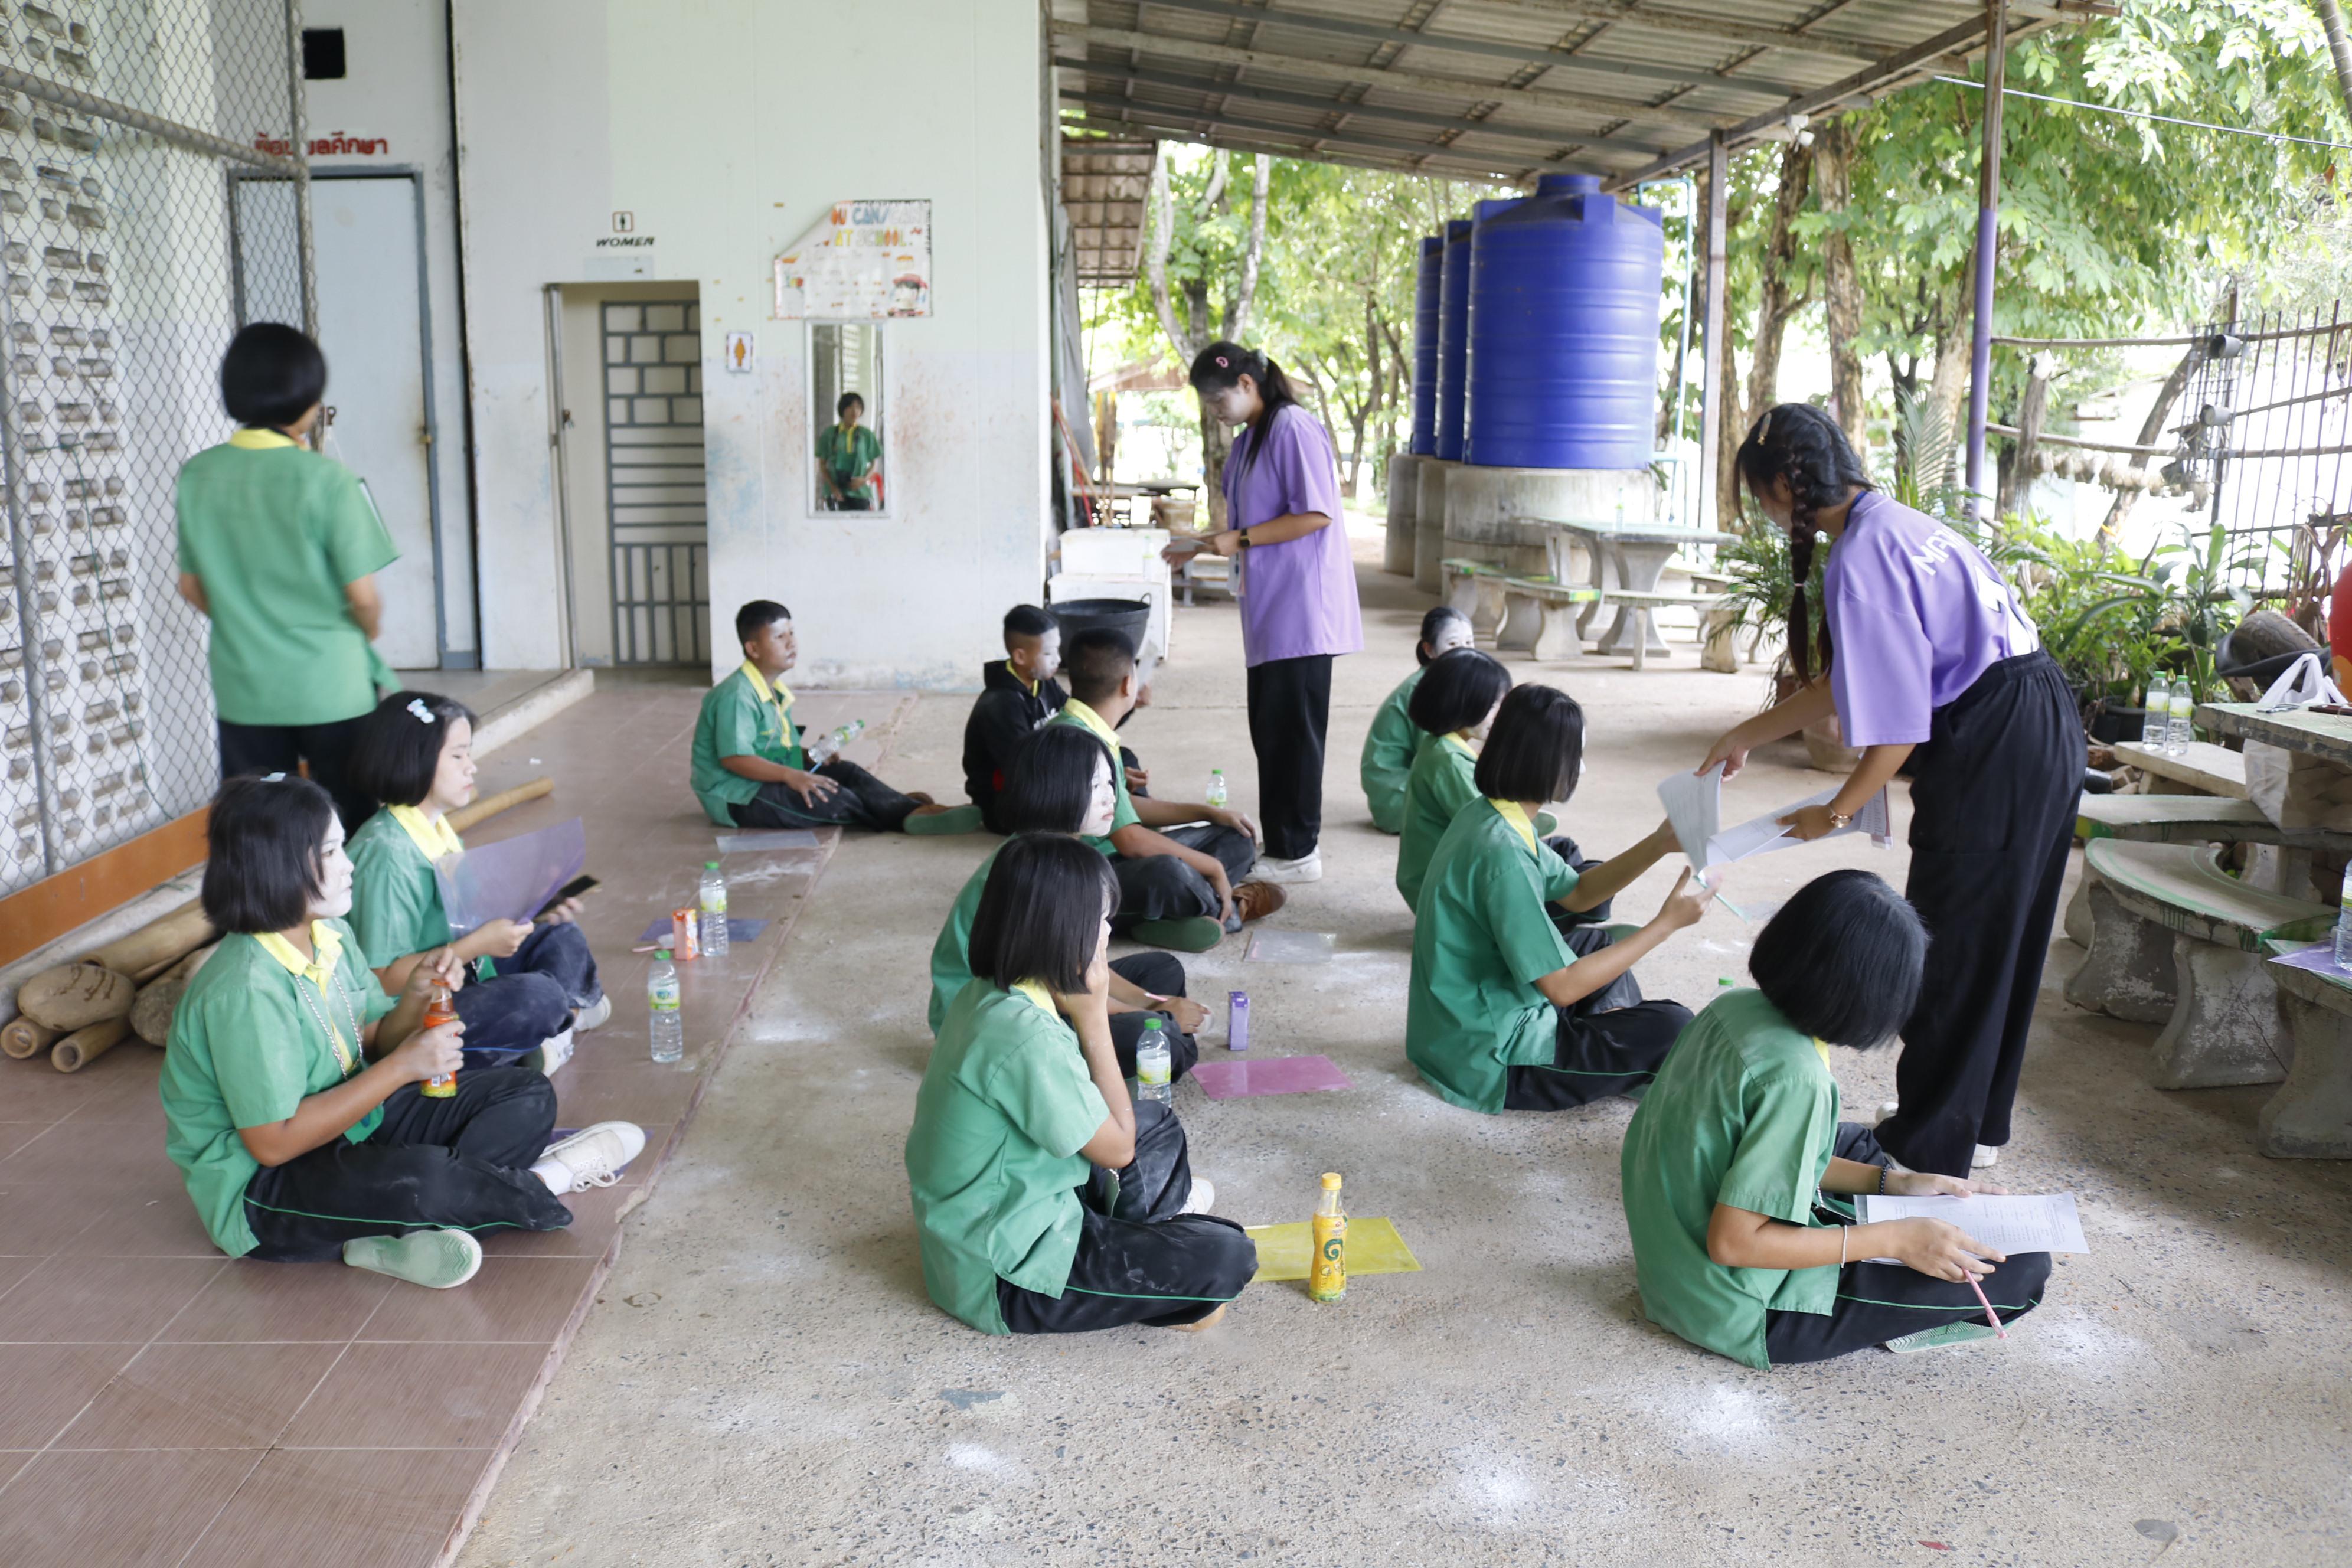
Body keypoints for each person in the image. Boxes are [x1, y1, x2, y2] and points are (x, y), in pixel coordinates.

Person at [1697, 404, 2082, 1177]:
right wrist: (1751, 731)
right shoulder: (1899, 524)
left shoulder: (1861, 556)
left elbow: (1897, 728)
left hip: (1992, 739)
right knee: (2005, 935)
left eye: (1760, 498)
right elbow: (1853, 680)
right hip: (2043, 716)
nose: (1766, 514)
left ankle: (1925, 1152)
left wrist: (1833, 812)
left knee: (1949, 941)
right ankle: (1975, 1128)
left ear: (1784, 485)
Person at [159, 774, 643, 1289]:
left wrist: (415, 995)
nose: (348, 866)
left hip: (354, 1124)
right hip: (267, 1191)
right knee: (427, 1179)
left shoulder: (329, 934)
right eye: (330, 852)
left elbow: (373, 1038)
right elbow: (274, 1145)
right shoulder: (246, 988)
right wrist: (404, 1067)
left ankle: (396, 1228)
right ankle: (550, 1179)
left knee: (524, 1094)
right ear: (276, 866)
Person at [1621, 870, 2051, 1366]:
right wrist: (1896, 1238)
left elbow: (1753, 1149)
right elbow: (1733, 1242)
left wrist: (1897, 1182)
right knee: (2024, 1270)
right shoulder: (1799, 1078)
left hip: (1672, 1263)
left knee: (1857, 1147)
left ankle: (1878, 1213)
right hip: (1743, 1308)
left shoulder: (1734, 1008)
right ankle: (1890, 1319)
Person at [905, 832, 1256, 1334]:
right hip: (1008, 1274)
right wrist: (1092, 1016)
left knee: (1152, 1119)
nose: (1108, 936)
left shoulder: (993, 993)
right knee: (1227, 1256)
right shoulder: (1025, 1034)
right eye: (1101, 923)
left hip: (1017, 1210)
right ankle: (1156, 1254)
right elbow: (1116, 1150)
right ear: (1059, 933)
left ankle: (1150, 1233)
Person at [1406, 684, 1703, 1113]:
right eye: (1574, 755)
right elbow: (1562, 989)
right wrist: (1664, 926)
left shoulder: (1491, 815)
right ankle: (1613, 1058)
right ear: (1548, 763)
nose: (1579, 767)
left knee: (1602, 946)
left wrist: (1658, 843)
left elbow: (1579, 892)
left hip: (1461, 1025)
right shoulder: (1503, 855)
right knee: (1673, 1025)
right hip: (1493, 1059)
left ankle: (1610, 1053)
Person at [175, 322, 398, 829]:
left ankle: (274, 910)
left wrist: (246, 619)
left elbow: (191, 587)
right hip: (333, 683)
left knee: (260, 825)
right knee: (352, 820)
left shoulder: (197, 475)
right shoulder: (327, 480)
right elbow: (363, 599)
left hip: (245, 683)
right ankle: (349, 908)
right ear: (308, 400)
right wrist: (365, 632)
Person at [1162, 341, 1363, 884]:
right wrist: (1203, 543)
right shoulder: (1251, 439)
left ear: (1248, 385)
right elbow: (1245, 529)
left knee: (1293, 735)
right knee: (1272, 732)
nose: (1214, 409)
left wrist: (1238, 538)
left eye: (1217, 398)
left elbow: (1316, 513)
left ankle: (1300, 851)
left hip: (1303, 611)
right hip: (1271, 612)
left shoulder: (1292, 427)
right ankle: (1285, 844)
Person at [345, 691, 609, 1074]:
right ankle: (559, 1021)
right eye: (458, 756)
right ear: (414, 760)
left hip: (463, 972)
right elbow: (382, 979)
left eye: (469, 755)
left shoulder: (437, 831)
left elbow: (465, 917)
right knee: (536, 996)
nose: (472, 768)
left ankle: (552, 1031)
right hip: (407, 1015)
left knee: (557, 933)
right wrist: (474, 946)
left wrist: (533, 905)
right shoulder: (387, 855)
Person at [931, 724, 1208, 1081]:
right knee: (1161, 1038)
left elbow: (1084, 966)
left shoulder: (1059, 851)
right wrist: (1162, 1017)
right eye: (1095, 787)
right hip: (989, 1028)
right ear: (1054, 789)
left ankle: (1166, 1040)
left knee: (1163, 971)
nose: (1112, 798)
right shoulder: (1044, 874)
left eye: (1111, 784)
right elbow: (1065, 991)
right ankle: (1166, 1046)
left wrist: (1153, 1002)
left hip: (1043, 992)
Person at [1051, 626, 1281, 952]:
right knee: (1170, 871)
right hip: (1089, 878)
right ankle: (1226, 912)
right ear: (1129, 684)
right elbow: (1131, 841)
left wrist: (1210, 812)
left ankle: (1170, 917)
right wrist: (1212, 867)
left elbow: (1126, 808)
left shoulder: (1087, 728)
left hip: (1119, 860)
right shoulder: (1084, 742)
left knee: (1235, 836)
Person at [692, 599, 981, 834]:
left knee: (847, 773)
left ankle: (910, 810)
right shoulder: (736, 695)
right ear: (752, 648)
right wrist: (792, 775)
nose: (791, 643)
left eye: (792, 633)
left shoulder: (775, 690)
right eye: (779, 637)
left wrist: (807, 757)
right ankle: (907, 816)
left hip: (765, 778)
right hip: (737, 796)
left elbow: (768, 750)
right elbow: (735, 758)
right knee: (830, 798)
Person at [1393, 647, 1512, 912]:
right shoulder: (1449, 762)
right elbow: (1496, 832)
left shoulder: (1443, 745)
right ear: (1462, 704)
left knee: (1557, 853)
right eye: (1492, 705)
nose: (1498, 715)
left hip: (1436, 885)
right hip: (1447, 898)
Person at [1361, 606, 1473, 834]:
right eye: (1453, 644)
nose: (1464, 652)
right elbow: (1438, 758)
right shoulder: (1428, 689)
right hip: (1396, 796)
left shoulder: (1445, 683)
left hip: (1411, 786)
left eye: (1470, 643)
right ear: (1429, 650)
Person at [962, 604, 1069, 834]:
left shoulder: (1044, 682)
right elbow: (1026, 770)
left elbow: (1074, 722)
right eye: (1049, 653)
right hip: (1007, 804)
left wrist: (1121, 705)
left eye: (1058, 650)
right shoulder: (1000, 705)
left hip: (1042, 780)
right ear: (1020, 656)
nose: (1058, 660)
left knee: (1120, 758)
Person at [816, 391, 882, 511]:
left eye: (858, 407)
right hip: (835, 492)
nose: (855, 411)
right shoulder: (829, 434)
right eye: (851, 406)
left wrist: (864, 479)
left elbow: (874, 463)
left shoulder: (866, 434)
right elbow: (822, 464)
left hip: (860, 492)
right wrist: (832, 487)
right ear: (843, 408)